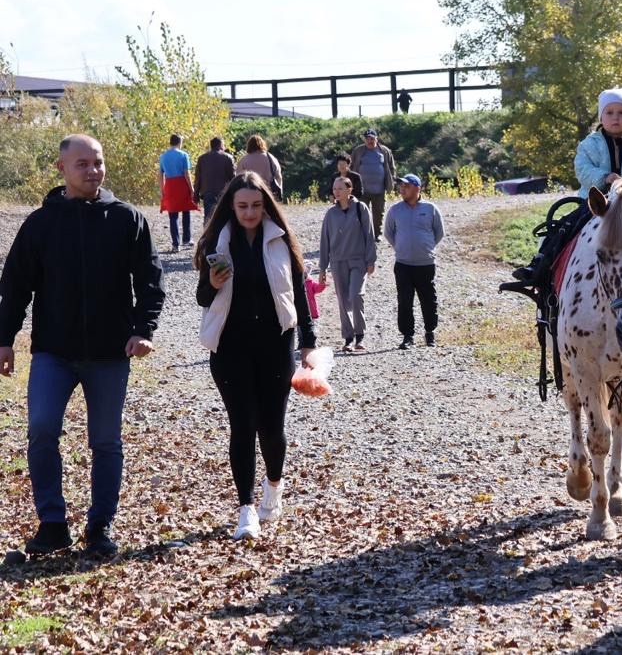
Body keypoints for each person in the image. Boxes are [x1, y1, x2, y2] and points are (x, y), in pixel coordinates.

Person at [0, 134, 165, 559]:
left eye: (98, 162)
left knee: (105, 440)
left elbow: (150, 281)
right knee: (40, 430)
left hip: (111, 353)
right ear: (62, 169)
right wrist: (4, 340)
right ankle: (53, 524)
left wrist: (143, 329)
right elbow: (15, 288)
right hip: (53, 352)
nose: (93, 171)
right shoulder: (40, 224)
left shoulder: (127, 218)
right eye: (83, 164)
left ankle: (100, 527)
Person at [195, 171, 317, 540]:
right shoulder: (217, 243)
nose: (249, 213)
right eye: (242, 206)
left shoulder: (281, 241)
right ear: (231, 207)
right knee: (242, 425)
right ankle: (245, 508)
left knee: (271, 425)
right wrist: (212, 283)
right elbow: (202, 299)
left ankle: (274, 489)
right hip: (230, 346)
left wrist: (308, 343)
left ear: (266, 206)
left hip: (276, 343)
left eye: (256, 205)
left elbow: (300, 295)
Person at [510, 87, 622, 285]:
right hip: (597, 203)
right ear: (601, 117)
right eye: (609, 113)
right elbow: (582, 169)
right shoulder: (589, 145)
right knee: (565, 227)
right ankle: (539, 265)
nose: (615, 118)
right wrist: (604, 177)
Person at [384, 173, 445, 349]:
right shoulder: (395, 210)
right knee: (404, 300)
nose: (402, 189)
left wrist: (426, 248)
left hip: (425, 263)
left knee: (428, 299)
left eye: (407, 186)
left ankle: (430, 333)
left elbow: (439, 232)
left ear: (417, 188)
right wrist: (402, 248)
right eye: (401, 186)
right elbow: (389, 233)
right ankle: (407, 336)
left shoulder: (430, 208)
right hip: (403, 264)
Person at [317, 176, 377, 351]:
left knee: (356, 295)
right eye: (334, 189)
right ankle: (348, 338)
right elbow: (324, 241)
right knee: (343, 301)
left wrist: (371, 259)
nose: (336, 192)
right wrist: (322, 267)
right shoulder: (330, 213)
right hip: (338, 262)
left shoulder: (361, 208)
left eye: (340, 188)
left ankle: (360, 336)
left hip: (358, 261)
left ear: (349, 190)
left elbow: (369, 235)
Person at [351, 128, 397, 238]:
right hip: (362, 190)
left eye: (372, 138)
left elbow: (392, 167)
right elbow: (352, 167)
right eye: (367, 139)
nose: (370, 141)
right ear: (364, 140)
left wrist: (392, 180)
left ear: (376, 139)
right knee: (362, 212)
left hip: (379, 189)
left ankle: (377, 234)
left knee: (378, 214)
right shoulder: (358, 151)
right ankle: (364, 233)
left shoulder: (385, 151)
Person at [159, 133, 199, 252]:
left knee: (173, 215)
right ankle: (187, 239)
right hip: (182, 184)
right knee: (186, 210)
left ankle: (175, 244)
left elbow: (161, 175)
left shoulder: (163, 156)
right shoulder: (183, 155)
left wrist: (162, 190)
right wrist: (192, 189)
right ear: (179, 142)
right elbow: (187, 174)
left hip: (170, 186)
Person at [194, 136, 236, 220]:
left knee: (209, 217)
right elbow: (233, 177)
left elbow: (198, 178)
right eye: (223, 145)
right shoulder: (228, 157)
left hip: (207, 192)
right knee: (224, 218)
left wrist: (196, 195)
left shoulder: (202, 158)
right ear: (220, 145)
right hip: (224, 192)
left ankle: (208, 232)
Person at [235, 134, 284, 201]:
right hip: (269, 194)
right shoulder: (271, 158)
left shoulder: (244, 160)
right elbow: (278, 177)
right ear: (262, 144)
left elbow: (238, 179)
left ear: (249, 146)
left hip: (250, 195)